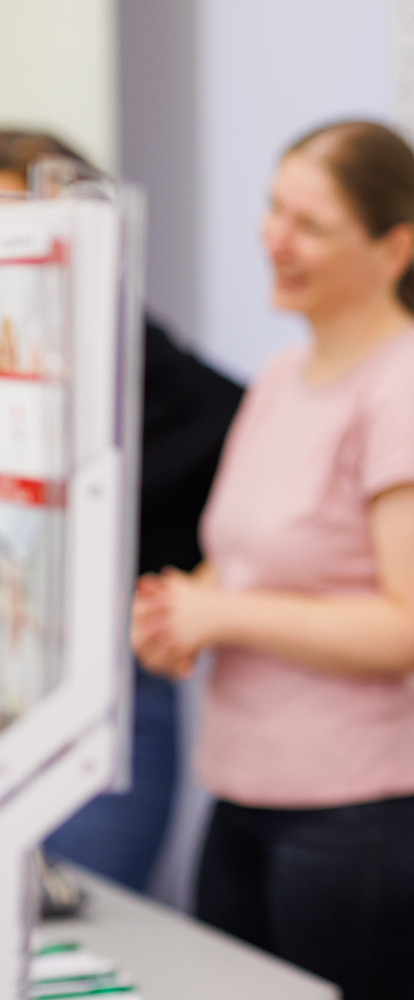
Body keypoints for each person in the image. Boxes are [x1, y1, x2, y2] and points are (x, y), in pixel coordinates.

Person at [130, 120, 414, 1000]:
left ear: (394, 248)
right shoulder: (281, 378)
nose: (275, 240)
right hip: (249, 793)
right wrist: (183, 612)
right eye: (273, 210)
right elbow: (249, 561)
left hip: (364, 814)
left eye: (311, 226)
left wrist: (224, 614)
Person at [0, 129, 245, 893]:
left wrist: (188, 594)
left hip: (103, 706)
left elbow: (248, 455)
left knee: (81, 917)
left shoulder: (138, 372)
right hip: (19, 690)